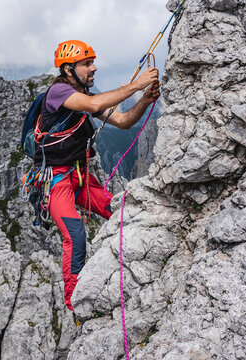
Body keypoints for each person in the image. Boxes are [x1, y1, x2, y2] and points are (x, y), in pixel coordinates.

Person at [35, 39, 160, 310]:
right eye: (87, 64)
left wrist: (145, 100)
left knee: (121, 210)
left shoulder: (85, 98)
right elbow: (93, 107)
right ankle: (74, 304)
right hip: (56, 182)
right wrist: (137, 84)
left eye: (93, 62)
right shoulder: (58, 93)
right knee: (76, 235)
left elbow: (124, 122)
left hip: (80, 178)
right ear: (69, 69)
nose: (94, 68)